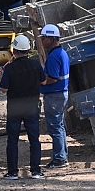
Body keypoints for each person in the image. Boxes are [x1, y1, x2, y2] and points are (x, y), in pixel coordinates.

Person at [0, 35, 46, 180]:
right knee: (34, 139)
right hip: (31, 106)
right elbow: (44, 82)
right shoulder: (36, 65)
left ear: (14, 50)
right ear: (28, 49)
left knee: (12, 140)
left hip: (14, 107)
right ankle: (36, 170)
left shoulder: (10, 68)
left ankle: (13, 171)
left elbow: (4, 89)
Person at [38, 24, 70, 169]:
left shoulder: (54, 56)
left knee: (55, 127)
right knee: (60, 126)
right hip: (61, 94)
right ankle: (62, 156)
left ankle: (59, 159)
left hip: (54, 95)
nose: (43, 41)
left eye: (44, 38)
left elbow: (53, 78)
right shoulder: (62, 53)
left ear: (51, 38)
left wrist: (41, 82)